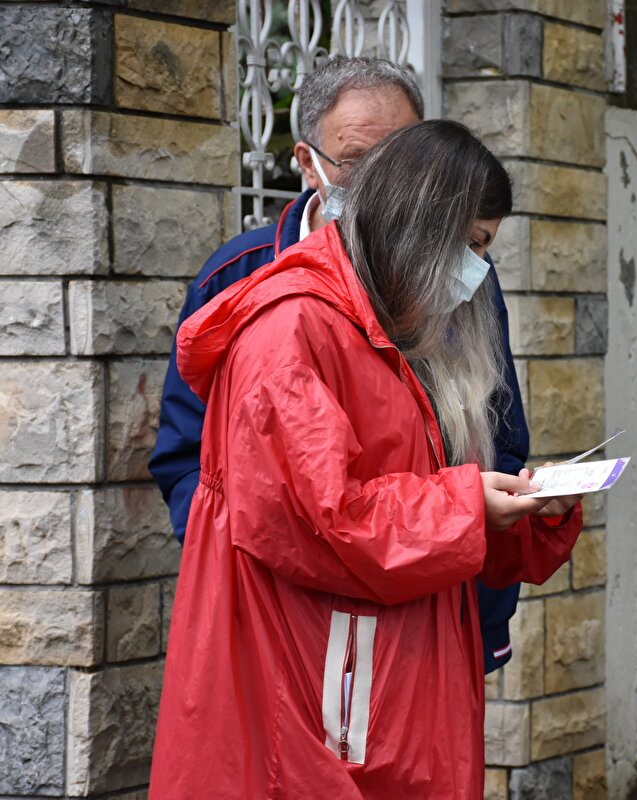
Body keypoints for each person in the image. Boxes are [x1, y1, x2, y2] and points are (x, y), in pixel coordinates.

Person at [148, 120, 583, 798]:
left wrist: (524, 512)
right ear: (418, 226)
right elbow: (322, 520)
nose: (477, 273)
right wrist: (470, 505)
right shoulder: (293, 329)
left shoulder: (392, 328)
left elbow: (424, 506)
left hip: (382, 680)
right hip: (321, 695)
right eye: (470, 246)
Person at [148, 56, 527, 674]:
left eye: (399, 157)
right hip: (298, 626)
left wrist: (499, 545)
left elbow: (497, 435)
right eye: (358, 161)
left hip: (437, 608)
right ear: (307, 162)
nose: (382, 181)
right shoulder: (253, 287)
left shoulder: (464, 282)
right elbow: (198, 466)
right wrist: (251, 580)